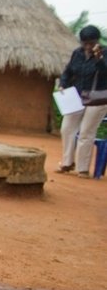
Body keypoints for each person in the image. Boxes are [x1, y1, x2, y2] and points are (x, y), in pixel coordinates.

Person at [57, 25, 107, 177]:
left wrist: (99, 58)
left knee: (86, 132)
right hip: (77, 97)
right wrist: (63, 84)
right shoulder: (77, 53)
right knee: (67, 128)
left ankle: (83, 169)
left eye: (91, 43)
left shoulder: (104, 53)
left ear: (96, 41)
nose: (88, 46)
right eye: (85, 43)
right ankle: (67, 163)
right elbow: (68, 71)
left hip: (97, 98)